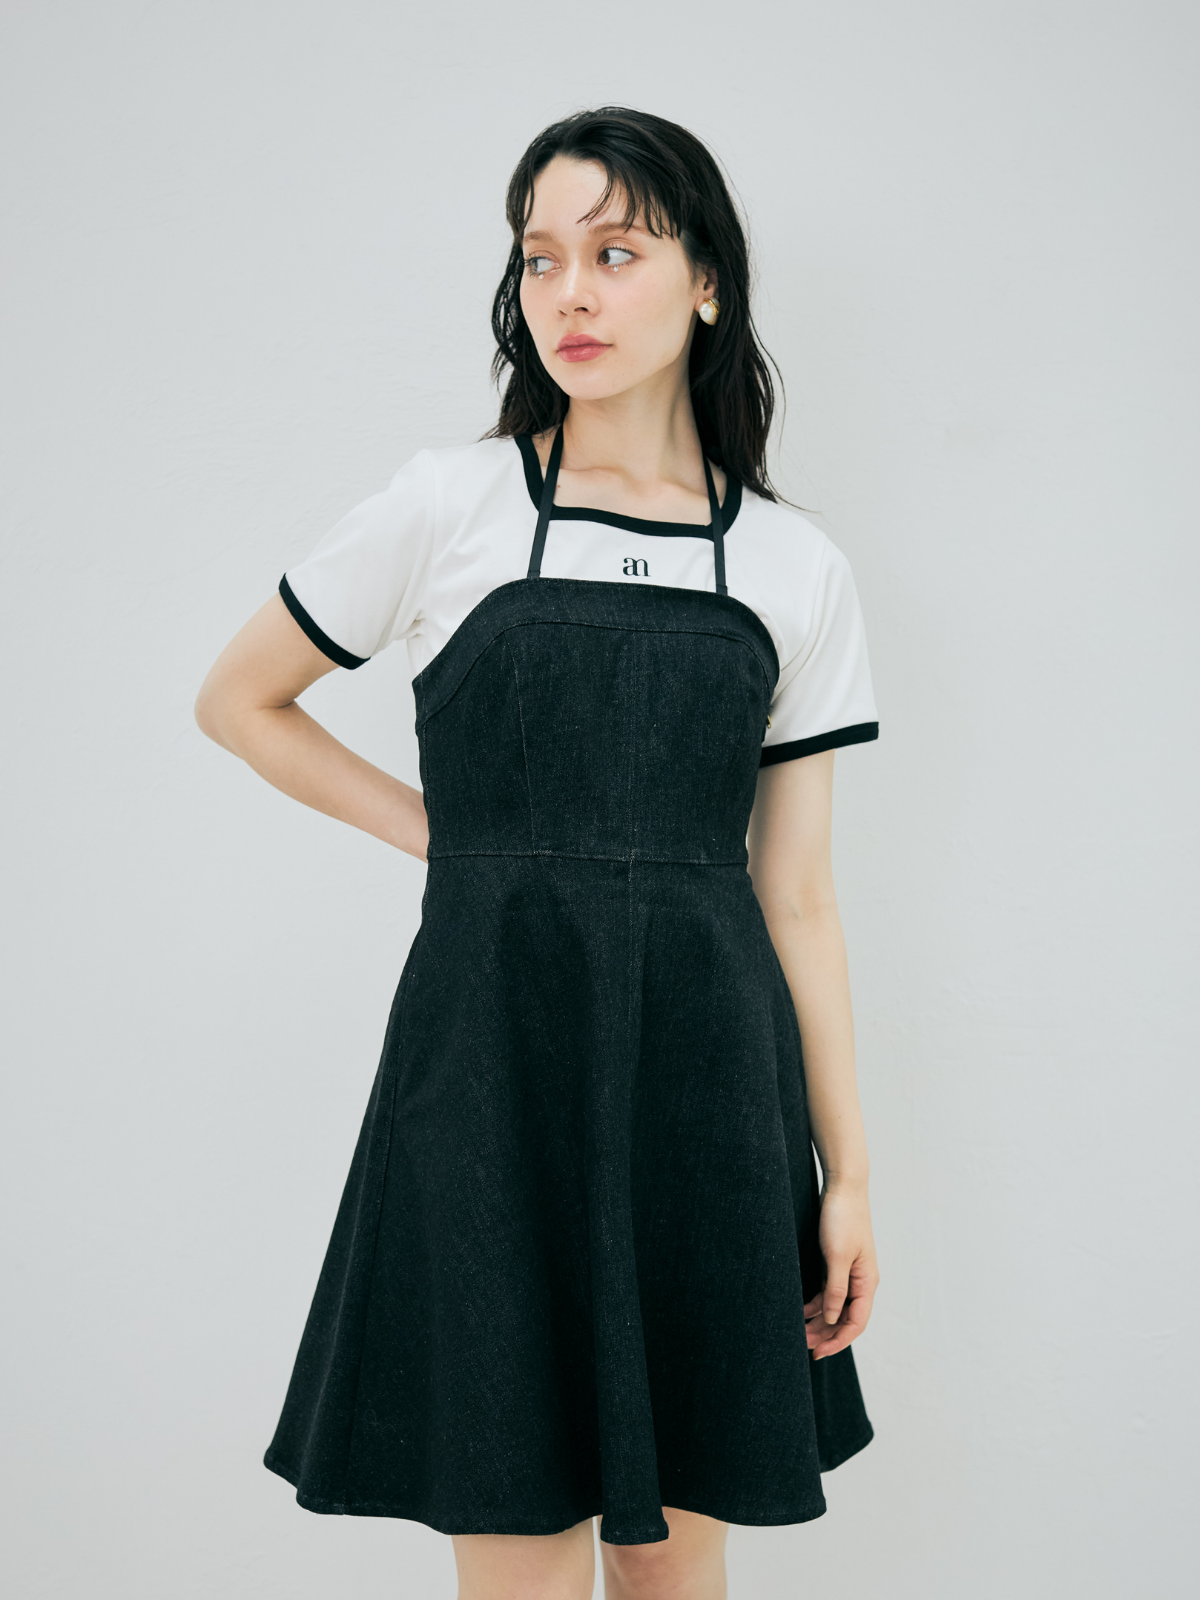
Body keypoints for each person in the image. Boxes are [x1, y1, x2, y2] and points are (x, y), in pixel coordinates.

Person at [195, 106, 881, 1600]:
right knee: (519, 1554)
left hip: (712, 1087)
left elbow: (799, 895)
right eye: (540, 258)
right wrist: (451, 840)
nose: (570, 292)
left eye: (616, 253)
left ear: (708, 283)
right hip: (491, 1072)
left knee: (679, 1568)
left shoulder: (794, 564)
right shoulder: (450, 502)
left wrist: (846, 1172)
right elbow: (238, 701)